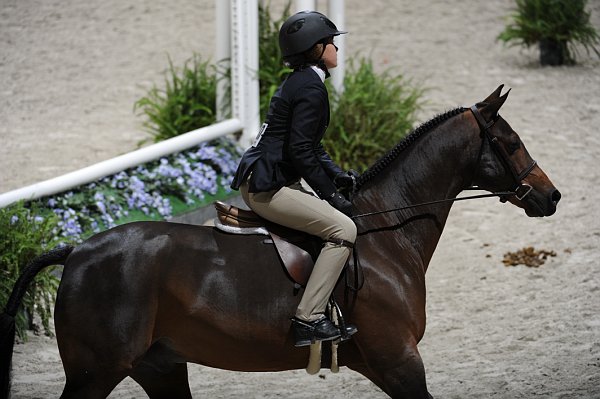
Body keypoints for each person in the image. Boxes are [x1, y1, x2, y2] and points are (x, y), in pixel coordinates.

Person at [230, 10, 358, 347]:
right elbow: (302, 152)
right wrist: (333, 197)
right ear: (316, 49)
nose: (336, 48)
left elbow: (309, 147)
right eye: (330, 42)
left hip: (268, 175)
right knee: (344, 230)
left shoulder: (303, 81)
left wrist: (337, 175)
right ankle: (309, 318)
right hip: (268, 186)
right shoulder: (311, 88)